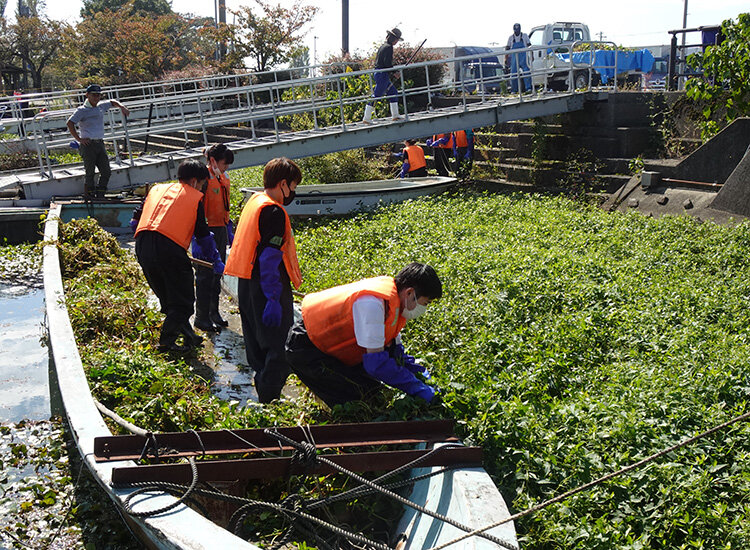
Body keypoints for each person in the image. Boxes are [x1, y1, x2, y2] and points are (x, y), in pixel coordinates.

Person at [285, 262, 441, 408]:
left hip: (328, 346)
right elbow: (376, 365)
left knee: (372, 390)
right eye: (425, 303)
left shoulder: (396, 306)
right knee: (358, 399)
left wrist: (422, 376)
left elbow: (395, 351)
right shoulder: (373, 304)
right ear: (409, 293)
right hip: (306, 346)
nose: (423, 309)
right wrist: (417, 388)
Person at [224, 157, 303, 403]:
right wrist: (272, 297)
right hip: (267, 284)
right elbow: (269, 257)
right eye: (293, 185)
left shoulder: (255, 201)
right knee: (280, 348)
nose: (293, 192)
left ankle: (263, 392)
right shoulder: (273, 211)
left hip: (247, 282)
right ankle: (270, 400)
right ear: (282, 183)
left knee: (256, 342)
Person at [133, 160, 225, 352]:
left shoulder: (158, 190)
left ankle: (189, 335)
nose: (201, 189)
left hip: (142, 245)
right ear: (194, 181)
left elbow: (135, 219)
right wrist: (215, 260)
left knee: (168, 298)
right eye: (201, 184)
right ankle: (167, 342)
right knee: (183, 302)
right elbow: (203, 236)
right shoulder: (193, 198)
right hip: (169, 251)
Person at [193, 143, 235, 332]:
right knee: (204, 274)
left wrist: (228, 228)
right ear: (213, 161)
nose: (226, 168)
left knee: (217, 274)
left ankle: (214, 312)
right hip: (205, 232)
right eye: (224, 164)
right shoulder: (205, 179)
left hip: (220, 229)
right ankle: (201, 317)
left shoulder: (222, 177)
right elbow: (197, 208)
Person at [66, 84, 130, 198]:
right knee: (90, 172)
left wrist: (122, 107)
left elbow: (112, 101)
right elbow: (70, 123)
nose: (96, 98)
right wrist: (79, 139)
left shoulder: (100, 106)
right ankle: (90, 194)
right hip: (88, 144)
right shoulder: (82, 110)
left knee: (106, 171)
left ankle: (100, 193)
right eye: (94, 95)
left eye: (98, 95)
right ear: (87, 95)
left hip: (99, 143)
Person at [363, 27, 403, 124]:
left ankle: (395, 115)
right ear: (394, 39)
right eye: (397, 40)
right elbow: (387, 63)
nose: (397, 42)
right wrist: (395, 72)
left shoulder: (383, 46)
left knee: (392, 91)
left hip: (379, 73)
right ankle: (366, 117)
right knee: (377, 95)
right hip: (382, 74)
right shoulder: (389, 48)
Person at [505, 23, 532, 94]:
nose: (516, 31)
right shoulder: (511, 38)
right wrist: (506, 58)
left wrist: (532, 55)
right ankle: (514, 90)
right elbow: (507, 48)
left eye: (518, 30)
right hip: (514, 58)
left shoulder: (525, 36)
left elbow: (530, 46)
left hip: (524, 57)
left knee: (526, 72)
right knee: (513, 73)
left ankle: (528, 88)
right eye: (515, 30)